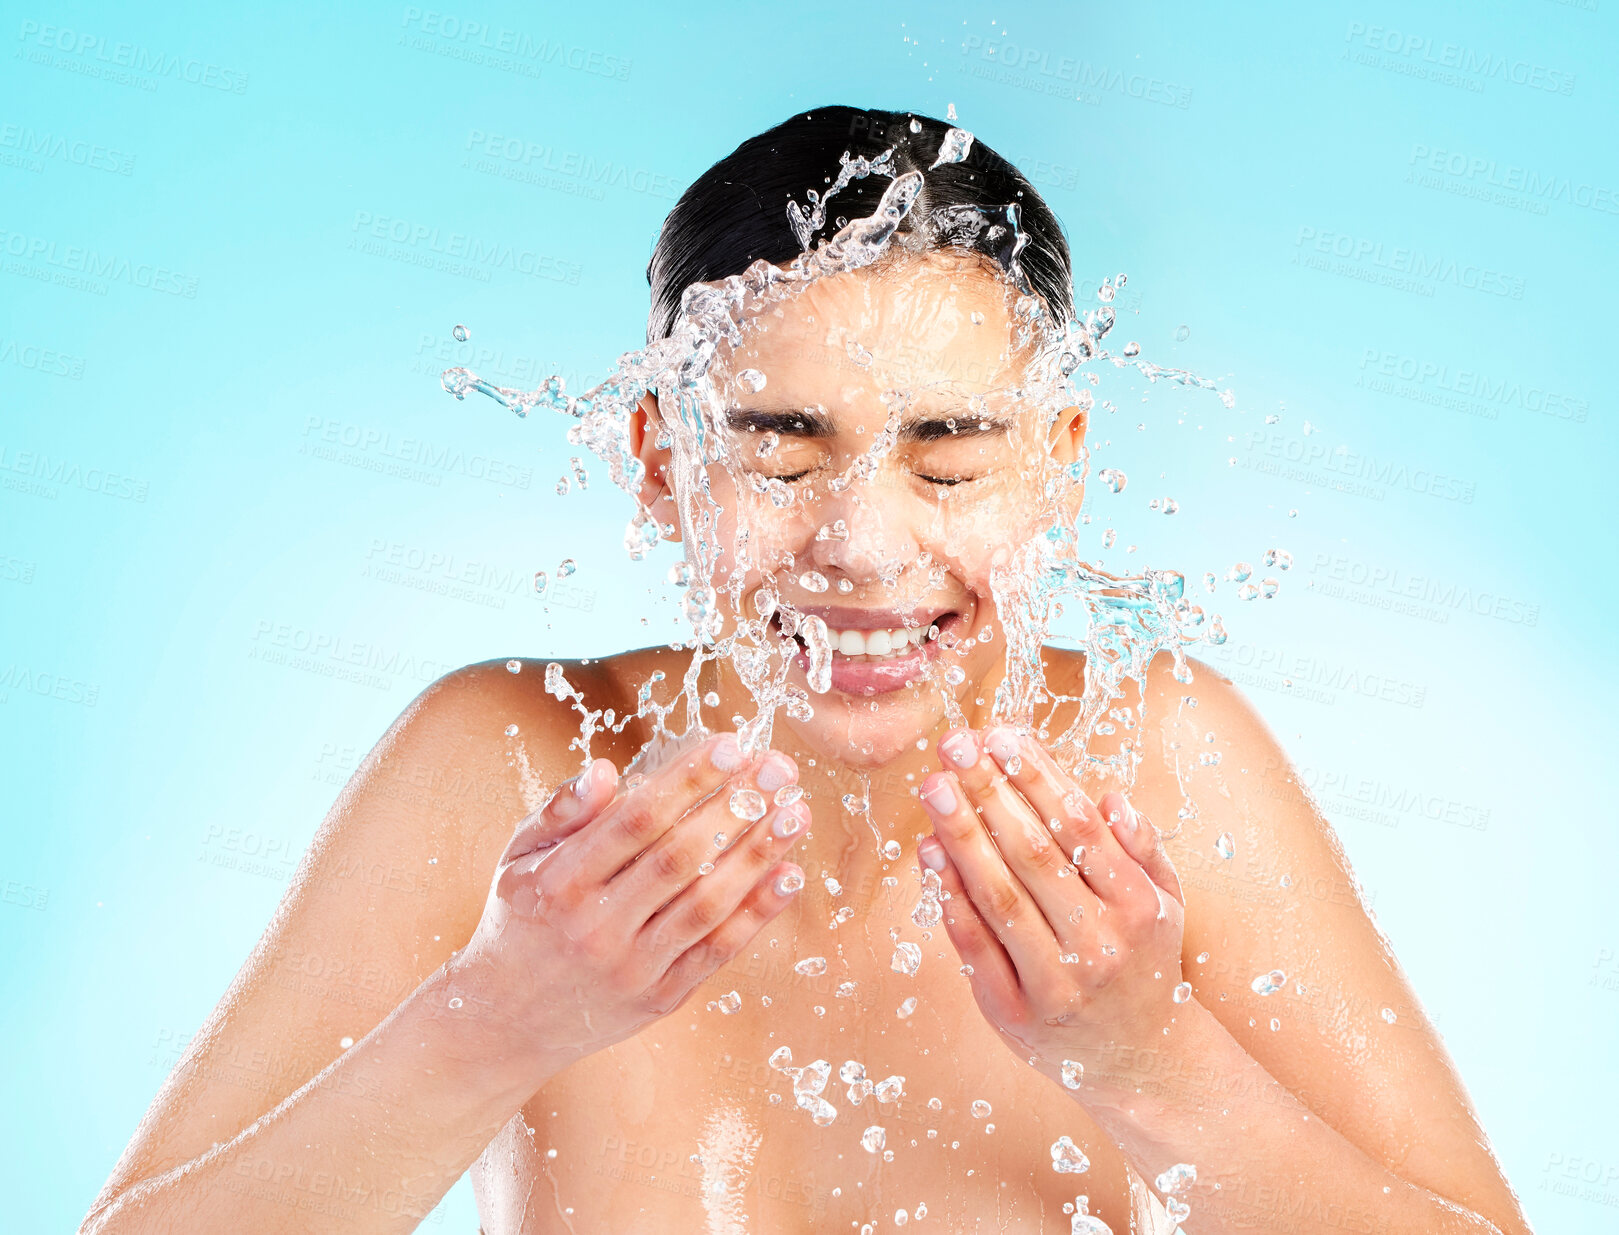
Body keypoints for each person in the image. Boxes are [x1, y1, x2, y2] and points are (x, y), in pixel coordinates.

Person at [82, 106, 1531, 1235]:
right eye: (779, 446)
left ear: (1058, 469)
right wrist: (499, 1021)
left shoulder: (1162, 760)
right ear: (661, 466)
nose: (863, 545)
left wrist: (1151, 1060)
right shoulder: (517, 762)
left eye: (951, 453)